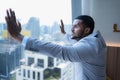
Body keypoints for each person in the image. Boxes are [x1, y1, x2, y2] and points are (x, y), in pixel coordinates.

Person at [5, 9, 107, 80]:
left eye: (76, 26)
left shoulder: (93, 45)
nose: (72, 29)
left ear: (87, 30)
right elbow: (76, 42)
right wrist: (64, 34)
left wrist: (19, 37)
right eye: (72, 26)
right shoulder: (91, 41)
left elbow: (63, 52)